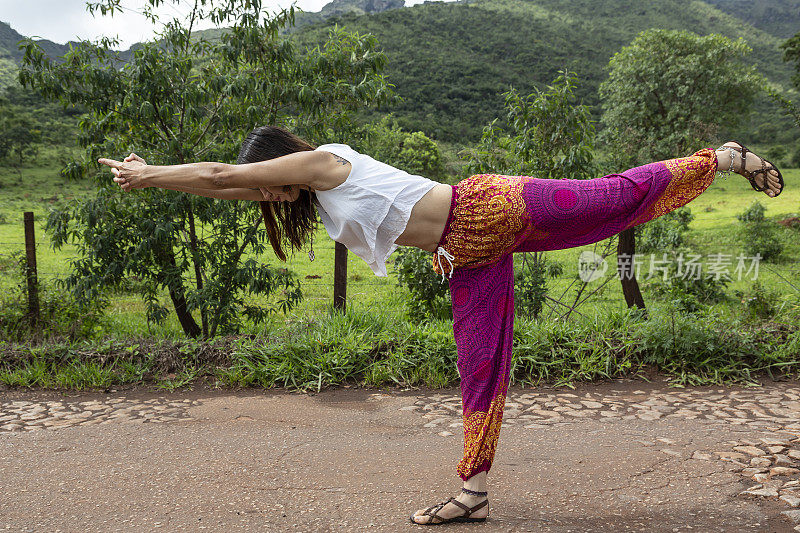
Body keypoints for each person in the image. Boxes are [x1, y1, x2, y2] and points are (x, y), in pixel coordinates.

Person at [99, 126, 784, 526]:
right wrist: (157, 181)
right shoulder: (304, 189)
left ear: (283, 157)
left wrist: (150, 171)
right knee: (479, 364)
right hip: (466, 252)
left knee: (607, 199)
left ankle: (722, 158)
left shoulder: (321, 161)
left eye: (269, 179)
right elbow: (225, 185)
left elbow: (222, 173)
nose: (269, 195)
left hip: (492, 205)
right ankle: (474, 492)